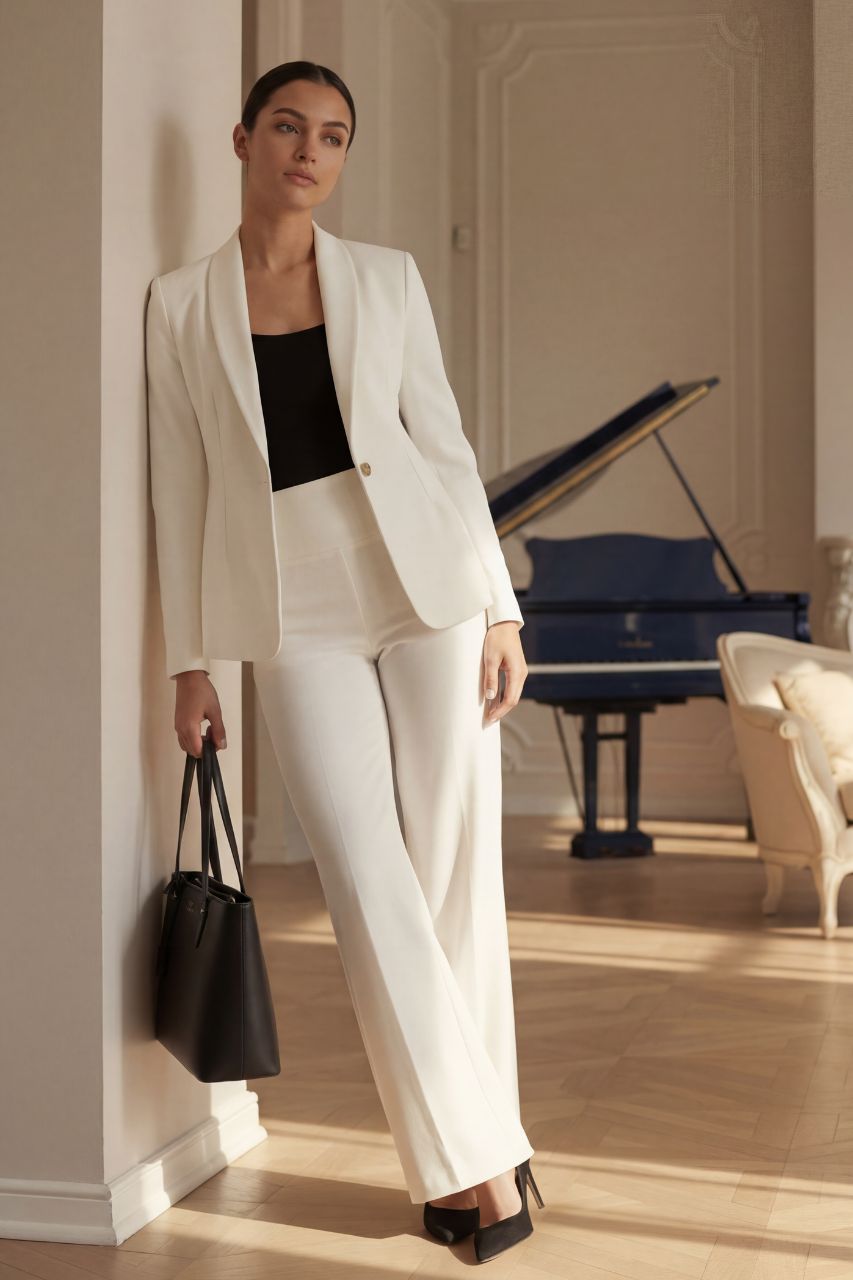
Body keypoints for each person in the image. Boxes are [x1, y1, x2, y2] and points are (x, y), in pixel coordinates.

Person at [145, 59, 544, 1263]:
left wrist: (498, 606)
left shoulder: (387, 279)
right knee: (368, 873)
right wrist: (191, 659)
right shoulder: (178, 304)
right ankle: (481, 1156)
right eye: (287, 128)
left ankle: (474, 1152)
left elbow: (443, 439)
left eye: (331, 135)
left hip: (425, 592)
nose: (308, 152)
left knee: (451, 867)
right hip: (293, 605)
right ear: (243, 139)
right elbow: (180, 483)